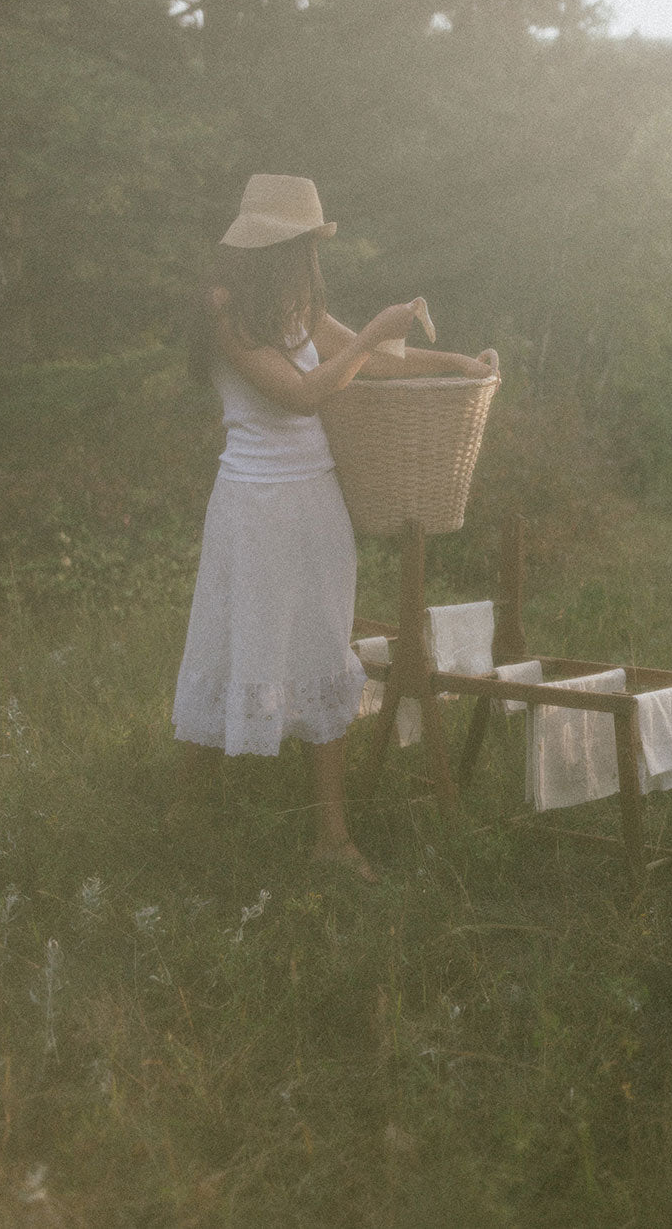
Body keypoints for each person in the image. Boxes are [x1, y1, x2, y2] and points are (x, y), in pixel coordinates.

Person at [172, 174, 496, 882]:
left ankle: (331, 837)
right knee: (229, 637)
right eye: (302, 245)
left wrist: (457, 364)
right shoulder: (224, 308)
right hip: (253, 505)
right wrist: (373, 332)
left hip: (315, 500)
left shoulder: (298, 305)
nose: (309, 260)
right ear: (275, 244)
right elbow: (300, 394)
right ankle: (184, 813)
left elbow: (377, 359)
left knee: (323, 647)